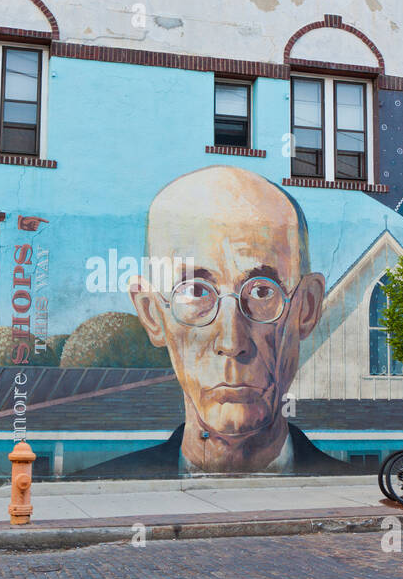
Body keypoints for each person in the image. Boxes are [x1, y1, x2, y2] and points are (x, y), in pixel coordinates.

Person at [86, 165, 347, 477]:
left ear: (307, 307)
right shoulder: (115, 482)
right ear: (152, 314)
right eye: (196, 291)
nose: (232, 342)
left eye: (262, 291)